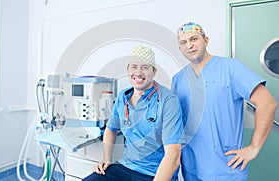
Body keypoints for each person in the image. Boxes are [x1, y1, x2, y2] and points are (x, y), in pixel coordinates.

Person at [171, 21, 277, 181]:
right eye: (183, 42)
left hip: (226, 169)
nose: (189, 45)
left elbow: (267, 103)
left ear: (205, 40)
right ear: (180, 49)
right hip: (191, 168)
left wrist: (254, 147)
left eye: (194, 39)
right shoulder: (178, 79)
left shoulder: (231, 68)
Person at [83, 45, 185, 181]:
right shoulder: (123, 97)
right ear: (128, 70)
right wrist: (107, 159)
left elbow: (173, 154)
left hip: (154, 173)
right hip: (126, 167)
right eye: (134, 67)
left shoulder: (168, 100)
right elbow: (111, 129)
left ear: (154, 72)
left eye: (145, 67)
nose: (138, 72)